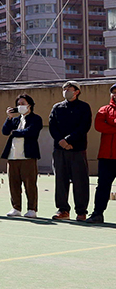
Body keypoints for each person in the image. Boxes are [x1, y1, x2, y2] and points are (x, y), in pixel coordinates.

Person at [48, 80, 92, 221]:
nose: (66, 90)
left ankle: (81, 211)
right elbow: (52, 126)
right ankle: (63, 210)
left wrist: (68, 140)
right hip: (59, 150)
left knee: (80, 181)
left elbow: (84, 127)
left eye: (69, 88)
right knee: (61, 180)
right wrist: (61, 141)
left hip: (77, 149)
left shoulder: (84, 107)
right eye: (64, 88)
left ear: (77, 91)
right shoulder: (57, 107)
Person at [0, 94, 41, 219]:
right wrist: (9, 118)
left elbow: (31, 132)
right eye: (18, 104)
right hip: (13, 156)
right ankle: (16, 207)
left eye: (23, 103)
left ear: (30, 105)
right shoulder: (16, 120)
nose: (20, 106)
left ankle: (32, 209)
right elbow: (5, 131)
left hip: (27, 157)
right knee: (13, 183)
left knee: (30, 184)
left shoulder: (36, 119)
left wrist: (15, 132)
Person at [88, 83, 116, 224]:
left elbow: (106, 125)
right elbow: (99, 126)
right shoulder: (104, 109)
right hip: (106, 156)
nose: (115, 94)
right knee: (103, 186)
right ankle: (97, 214)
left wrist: (110, 124)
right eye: (114, 92)